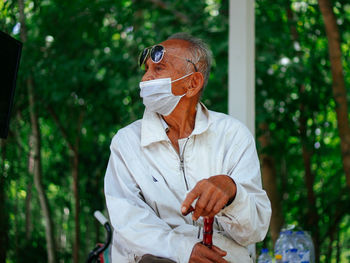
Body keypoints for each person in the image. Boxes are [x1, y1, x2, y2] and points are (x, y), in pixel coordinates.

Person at [104, 33, 271, 263]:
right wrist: (184, 250)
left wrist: (233, 193)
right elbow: (129, 222)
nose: (145, 79)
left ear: (192, 83)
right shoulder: (126, 143)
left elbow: (255, 231)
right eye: (146, 70)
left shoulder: (232, 135)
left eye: (159, 69)